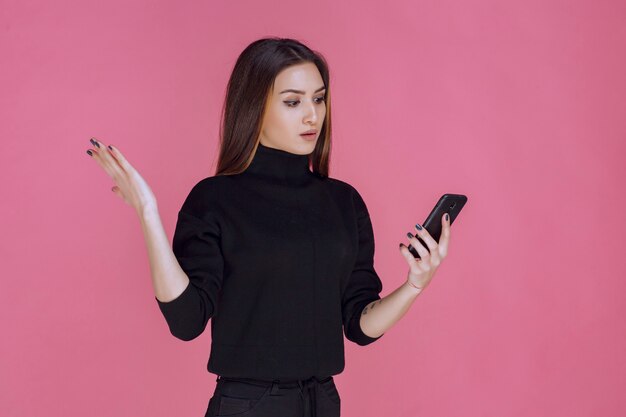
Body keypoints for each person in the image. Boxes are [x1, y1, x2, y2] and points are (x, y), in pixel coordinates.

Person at [86, 37, 451, 417]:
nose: (312, 115)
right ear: (254, 107)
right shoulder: (215, 199)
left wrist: (413, 285)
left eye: (319, 98)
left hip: (323, 402)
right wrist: (148, 213)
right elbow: (187, 319)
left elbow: (359, 325)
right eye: (293, 102)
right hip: (249, 405)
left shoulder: (344, 202)